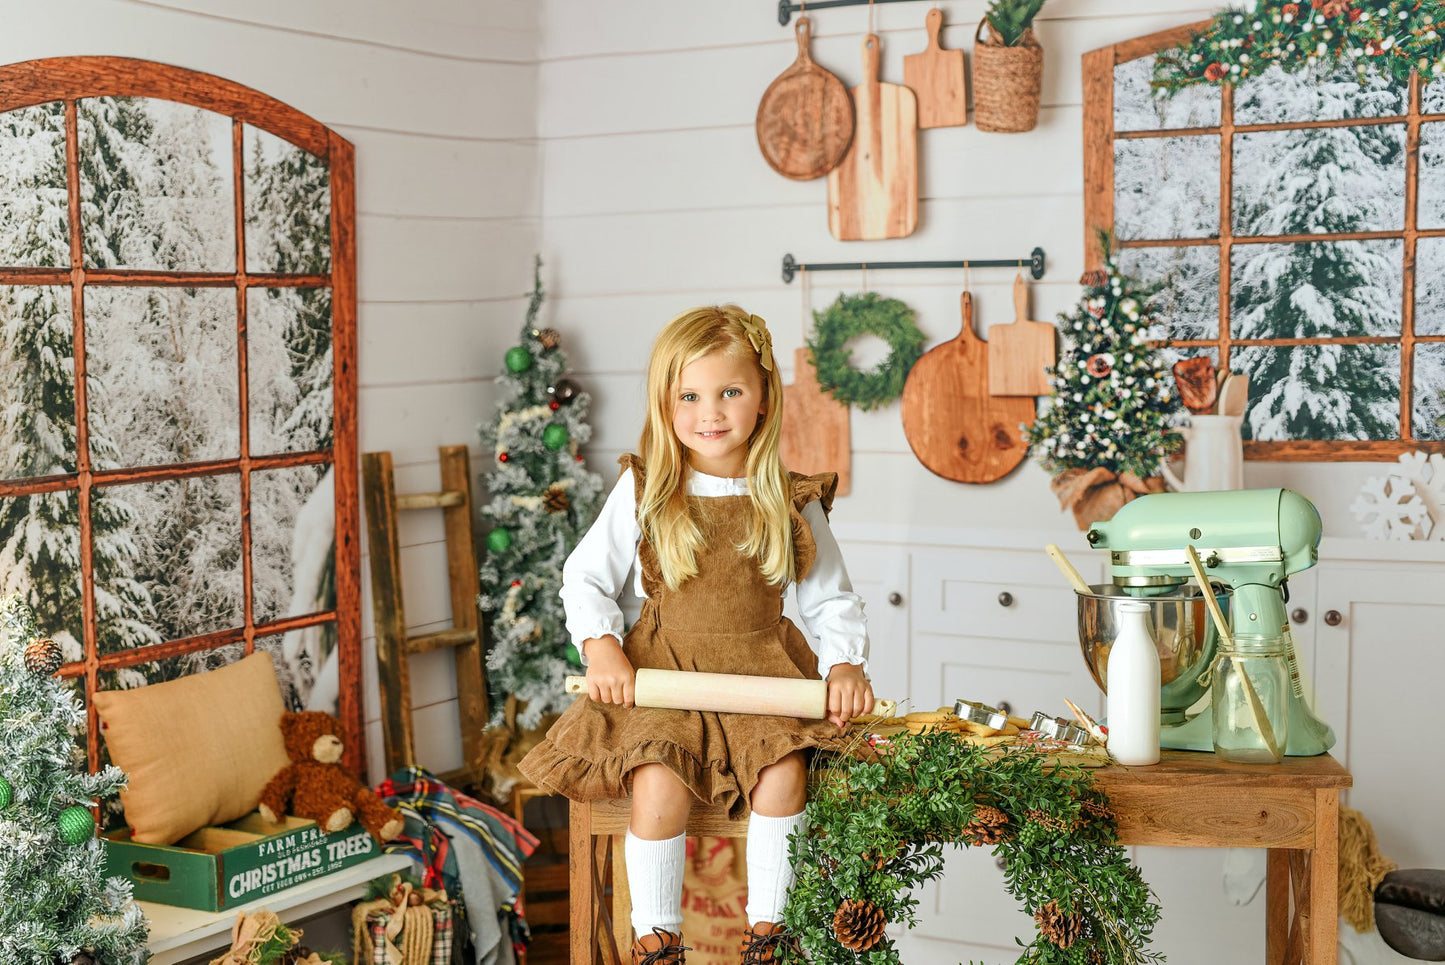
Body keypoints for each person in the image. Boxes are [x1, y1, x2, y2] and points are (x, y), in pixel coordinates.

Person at [519, 305, 872, 964]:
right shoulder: (648, 487)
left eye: (729, 392)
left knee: (782, 776)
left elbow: (831, 600)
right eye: (690, 395)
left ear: (763, 396)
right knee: (657, 780)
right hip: (665, 670)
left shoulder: (790, 498)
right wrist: (602, 645)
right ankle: (656, 935)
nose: (710, 412)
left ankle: (770, 931)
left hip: (760, 673)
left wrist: (843, 665)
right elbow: (584, 577)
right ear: (665, 402)